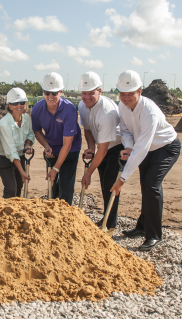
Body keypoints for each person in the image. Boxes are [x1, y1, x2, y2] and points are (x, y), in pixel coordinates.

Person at [110, 70, 181, 251]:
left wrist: (122, 179)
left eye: (130, 94)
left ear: (140, 91)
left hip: (165, 147)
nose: (126, 98)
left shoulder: (149, 112)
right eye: (123, 94)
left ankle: (154, 235)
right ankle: (142, 227)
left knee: (151, 185)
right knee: (145, 185)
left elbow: (141, 147)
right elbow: (125, 130)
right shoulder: (122, 106)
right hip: (147, 149)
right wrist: (127, 146)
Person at [78, 71, 124, 231]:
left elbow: (103, 150)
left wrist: (88, 173)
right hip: (101, 146)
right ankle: (107, 217)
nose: (87, 97)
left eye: (91, 93)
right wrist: (91, 147)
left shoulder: (107, 112)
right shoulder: (82, 106)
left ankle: (110, 225)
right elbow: (88, 130)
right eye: (84, 93)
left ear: (99, 91)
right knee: (105, 183)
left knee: (109, 185)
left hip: (117, 147)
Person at [31, 72, 82, 205]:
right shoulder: (37, 109)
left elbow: (68, 143)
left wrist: (56, 168)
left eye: (54, 93)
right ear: (43, 92)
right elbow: (37, 130)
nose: (50, 96)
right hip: (52, 148)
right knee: (52, 184)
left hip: (70, 149)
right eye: (47, 92)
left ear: (61, 92)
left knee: (65, 185)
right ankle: (53, 214)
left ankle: (65, 215)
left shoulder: (69, 110)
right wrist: (46, 146)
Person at [0, 88, 35, 198]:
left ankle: (15, 209)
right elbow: (11, 151)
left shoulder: (27, 118)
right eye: (15, 103)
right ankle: (5, 211)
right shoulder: (4, 124)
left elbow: (31, 133)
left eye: (22, 103)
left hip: (19, 155)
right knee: (11, 188)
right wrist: (23, 172)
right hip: (2, 157)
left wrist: (28, 144)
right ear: (10, 106)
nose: (19, 106)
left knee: (20, 185)